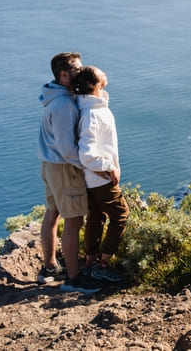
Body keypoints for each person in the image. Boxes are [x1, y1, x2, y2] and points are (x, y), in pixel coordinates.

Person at [37, 52, 103, 294]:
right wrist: (91, 165)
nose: (82, 71)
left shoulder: (54, 96)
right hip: (63, 167)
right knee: (74, 220)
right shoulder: (64, 105)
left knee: (53, 212)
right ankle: (74, 279)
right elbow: (67, 149)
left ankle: (50, 267)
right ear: (63, 75)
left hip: (49, 164)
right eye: (77, 69)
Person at [75, 65, 130, 282]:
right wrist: (109, 167)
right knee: (120, 215)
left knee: (96, 218)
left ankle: (90, 261)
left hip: (92, 179)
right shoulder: (92, 114)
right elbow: (86, 155)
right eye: (101, 74)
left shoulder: (90, 108)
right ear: (95, 85)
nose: (106, 74)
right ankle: (103, 262)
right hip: (101, 179)